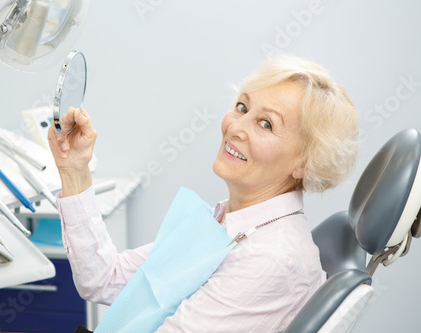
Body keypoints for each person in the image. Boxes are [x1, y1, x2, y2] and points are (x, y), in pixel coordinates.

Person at [48, 54, 359, 332]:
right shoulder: (227, 222)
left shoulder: (270, 259)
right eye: (242, 107)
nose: (235, 127)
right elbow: (103, 279)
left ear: (305, 163)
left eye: (266, 124)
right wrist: (75, 170)